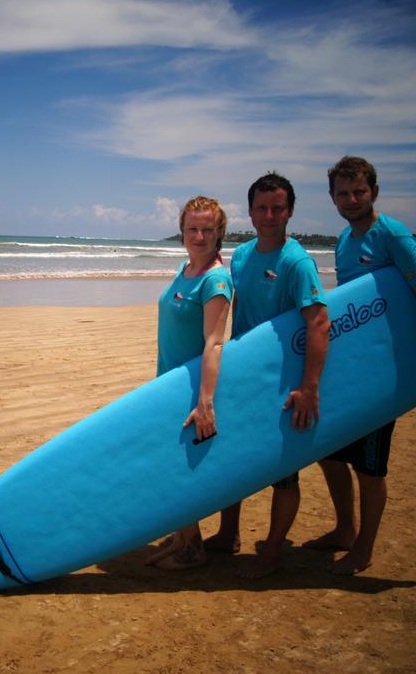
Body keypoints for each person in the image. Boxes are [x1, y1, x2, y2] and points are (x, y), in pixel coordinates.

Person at [303, 155, 416, 574]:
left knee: (370, 467)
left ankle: (364, 548)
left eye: (359, 191)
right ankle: (344, 530)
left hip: (386, 371)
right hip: (354, 366)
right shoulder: (343, 240)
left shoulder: (391, 234)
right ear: (332, 197)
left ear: (374, 191)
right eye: (343, 193)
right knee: (329, 452)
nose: (351, 199)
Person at [200, 172, 330, 578]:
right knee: (233, 459)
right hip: (243, 376)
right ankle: (228, 534)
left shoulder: (297, 262)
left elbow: (319, 323)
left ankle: (272, 552)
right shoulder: (241, 256)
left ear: (289, 210)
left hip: (283, 381)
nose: (269, 215)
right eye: (262, 207)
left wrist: (309, 388)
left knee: (283, 470)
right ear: (251, 211)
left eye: (277, 208)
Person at [144, 196, 234, 570]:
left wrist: (206, 401)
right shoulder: (187, 269)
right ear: (182, 232)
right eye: (192, 229)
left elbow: (215, 342)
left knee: (179, 470)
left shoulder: (215, 279)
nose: (199, 236)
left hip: (190, 390)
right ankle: (181, 538)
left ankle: (192, 548)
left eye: (207, 229)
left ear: (219, 233)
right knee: (171, 464)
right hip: (168, 384)